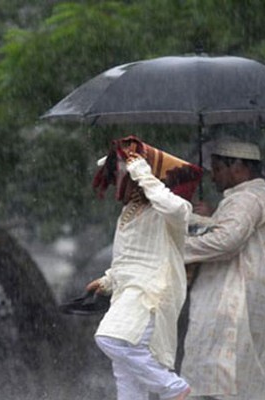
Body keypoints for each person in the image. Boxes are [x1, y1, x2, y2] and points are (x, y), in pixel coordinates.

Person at [87, 136, 203, 400]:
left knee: (111, 339)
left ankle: (173, 388)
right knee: (127, 379)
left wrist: (144, 174)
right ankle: (168, 387)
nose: (115, 181)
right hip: (129, 292)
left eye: (120, 174)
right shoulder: (130, 210)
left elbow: (173, 207)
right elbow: (129, 257)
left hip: (151, 292)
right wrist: (107, 281)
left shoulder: (172, 208)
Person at [181, 140, 265, 399]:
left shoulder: (246, 199)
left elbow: (226, 241)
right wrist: (207, 219)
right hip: (254, 303)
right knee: (250, 382)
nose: (213, 176)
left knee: (220, 382)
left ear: (239, 167)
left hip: (230, 305)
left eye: (218, 168)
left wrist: (175, 247)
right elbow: (234, 235)